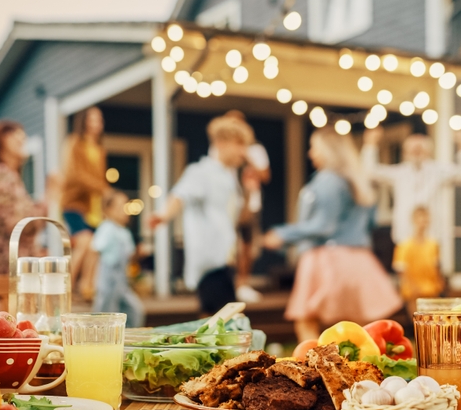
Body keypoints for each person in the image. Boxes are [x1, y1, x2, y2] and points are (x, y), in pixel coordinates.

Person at [262, 129, 403, 343]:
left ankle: (311, 372)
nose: (311, 153)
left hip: (327, 258)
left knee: (306, 321)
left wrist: (283, 234)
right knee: (356, 331)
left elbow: (323, 226)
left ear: (328, 151)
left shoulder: (327, 181)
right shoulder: (358, 181)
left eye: (314, 148)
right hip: (358, 259)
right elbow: (371, 222)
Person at [149, 114, 252, 315]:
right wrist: (163, 215)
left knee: (217, 320)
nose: (244, 151)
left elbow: (236, 217)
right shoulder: (201, 172)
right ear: (221, 143)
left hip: (224, 260)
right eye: (239, 144)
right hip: (210, 262)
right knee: (227, 321)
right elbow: (179, 195)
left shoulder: (229, 177)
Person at [361, 127, 461, 254]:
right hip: (405, 235)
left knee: (429, 271)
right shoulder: (399, 173)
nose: (416, 152)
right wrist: (370, 144)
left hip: (432, 235)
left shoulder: (439, 171)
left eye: (419, 149)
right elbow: (370, 171)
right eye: (412, 149)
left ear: (428, 151)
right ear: (405, 152)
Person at [0, 120, 56, 275]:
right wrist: (50, 195)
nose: (21, 137)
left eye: (22, 134)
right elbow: (21, 225)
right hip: (5, 273)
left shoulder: (6, 175)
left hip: (9, 270)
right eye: (13, 134)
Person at [215, 110, 270, 304]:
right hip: (227, 205)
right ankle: (228, 283)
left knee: (247, 246)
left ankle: (243, 284)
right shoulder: (217, 150)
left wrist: (248, 158)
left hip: (250, 205)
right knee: (230, 245)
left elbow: (265, 175)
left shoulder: (255, 150)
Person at [60, 106, 110, 299]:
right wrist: (102, 187)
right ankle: (66, 287)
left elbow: (100, 180)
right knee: (84, 241)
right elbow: (75, 174)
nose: (96, 124)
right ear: (83, 121)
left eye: (99, 119)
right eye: (92, 119)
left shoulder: (99, 149)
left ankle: (87, 287)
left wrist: (103, 192)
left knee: (94, 247)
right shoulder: (74, 143)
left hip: (93, 207)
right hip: (74, 202)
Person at [91, 190, 145, 327]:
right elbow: (94, 252)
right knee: (104, 316)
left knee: (134, 311)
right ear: (108, 210)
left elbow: (129, 257)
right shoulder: (106, 228)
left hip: (122, 283)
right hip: (107, 282)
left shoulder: (124, 232)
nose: (125, 211)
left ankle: (127, 341)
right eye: (121, 207)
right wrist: (89, 280)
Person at [392, 206, 444, 316]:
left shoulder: (433, 245)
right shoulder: (404, 246)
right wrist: (412, 287)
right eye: (420, 219)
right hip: (413, 292)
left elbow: (436, 266)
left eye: (426, 219)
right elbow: (401, 269)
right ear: (414, 220)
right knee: (418, 320)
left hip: (431, 290)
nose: (423, 223)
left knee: (433, 321)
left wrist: (439, 282)